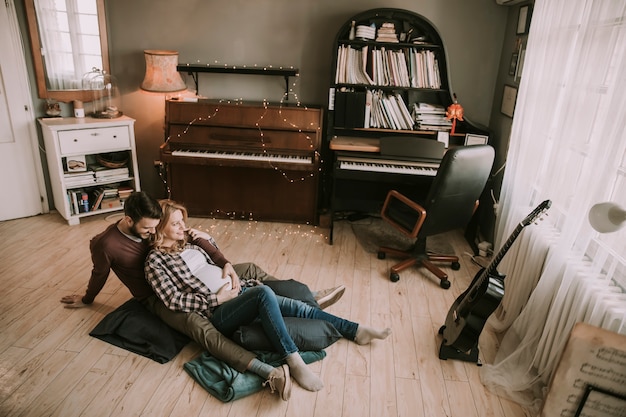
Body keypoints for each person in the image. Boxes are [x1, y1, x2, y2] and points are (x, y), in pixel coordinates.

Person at [60, 191, 344, 401]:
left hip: (182, 271)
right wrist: (87, 299)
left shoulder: (154, 224)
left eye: (153, 228)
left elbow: (173, 232)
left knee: (250, 269)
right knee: (199, 327)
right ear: (128, 220)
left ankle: (306, 298)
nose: (150, 233)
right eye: (147, 229)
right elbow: (100, 275)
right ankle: (267, 372)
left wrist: (201, 241)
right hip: (158, 297)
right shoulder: (105, 244)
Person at [145, 199, 392, 394]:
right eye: (175, 223)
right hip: (218, 312)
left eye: (182, 221)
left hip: (239, 290)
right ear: (159, 227)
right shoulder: (155, 260)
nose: (182, 226)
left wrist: (207, 239)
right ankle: (293, 360)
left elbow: (216, 259)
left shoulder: (188, 241)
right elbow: (173, 300)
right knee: (264, 293)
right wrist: (216, 299)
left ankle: (356, 330)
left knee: (298, 307)